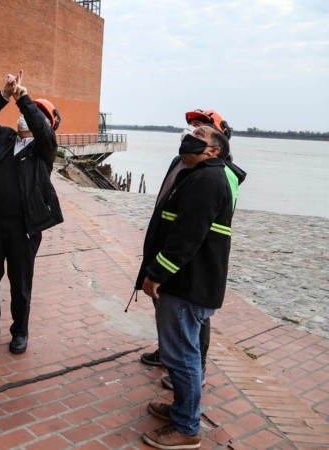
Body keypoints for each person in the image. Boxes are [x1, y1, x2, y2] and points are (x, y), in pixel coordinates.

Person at [137, 125, 244, 449]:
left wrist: (156, 274)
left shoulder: (208, 179)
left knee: (181, 356)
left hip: (186, 285)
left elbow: (187, 236)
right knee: (185, 353)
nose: (189, 135)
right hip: (191, 283)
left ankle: (186, 427)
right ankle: (182, 409)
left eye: (199, 133)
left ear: (214, 150)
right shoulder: (203, 174)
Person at [0, 70, 63, 354]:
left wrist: (25, 98)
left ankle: (20, 332)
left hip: (25, 229)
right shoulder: (5, 138)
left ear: (48, 123)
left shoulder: (45, 149)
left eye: (38, 114)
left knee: (20, 285)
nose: (27, 115)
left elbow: (42, 128)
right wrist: (5, 94)